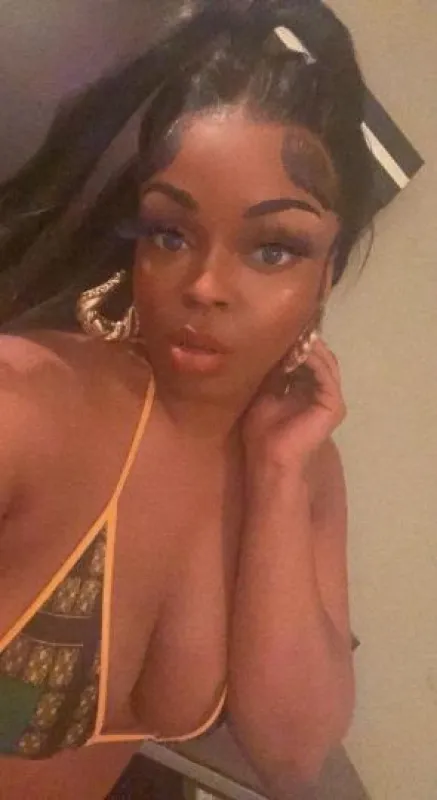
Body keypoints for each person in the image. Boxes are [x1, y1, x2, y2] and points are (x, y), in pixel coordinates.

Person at [0, 1, 374, 797]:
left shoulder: (305, 472)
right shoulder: (29, 404)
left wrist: (276, 475)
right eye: (170, 234)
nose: (204, 286)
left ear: (326, 270)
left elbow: (292, 750)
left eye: (272, 248)